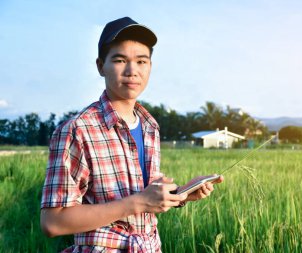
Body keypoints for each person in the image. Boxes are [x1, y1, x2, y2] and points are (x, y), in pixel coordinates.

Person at [40, 17, 223, 252]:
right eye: (119, 60)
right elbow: (53, 222)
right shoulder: (77, 130)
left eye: (141, 61)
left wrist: (181, 195)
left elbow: (143, 199)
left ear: (150, 66)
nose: (132, 71)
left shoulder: (150, 126)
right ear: (100, 66)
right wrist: (138, 202)